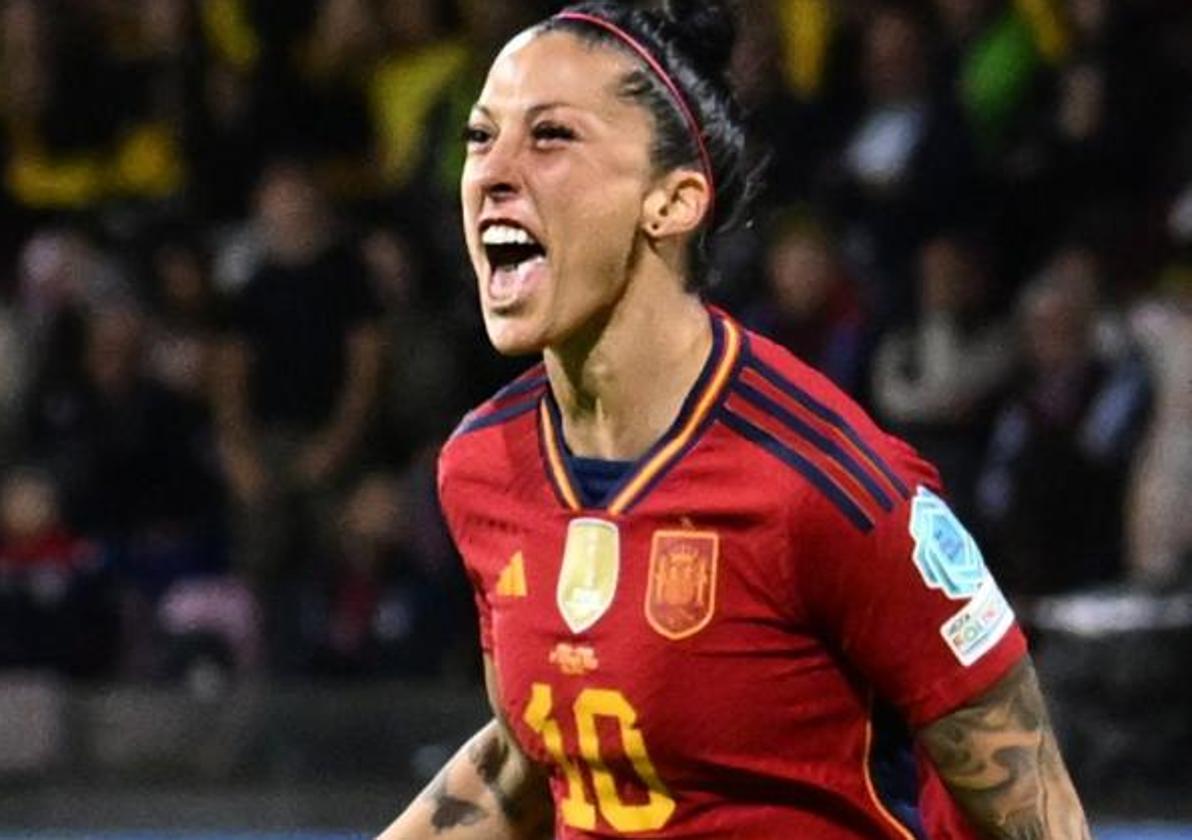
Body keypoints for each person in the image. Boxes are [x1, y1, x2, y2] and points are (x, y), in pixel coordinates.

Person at [379, 2, 1090, 838]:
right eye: (480, 137)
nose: (493, 172)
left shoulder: (827, 485)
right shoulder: (482, 467)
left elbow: (1032, 809)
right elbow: (532, 759)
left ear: (673, 202)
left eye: (551, 138)